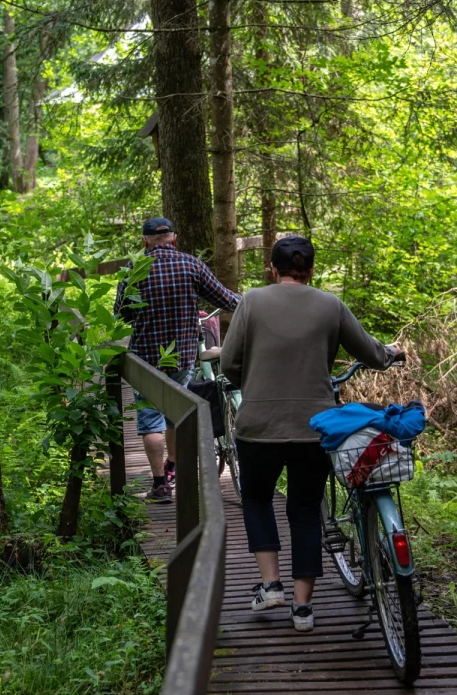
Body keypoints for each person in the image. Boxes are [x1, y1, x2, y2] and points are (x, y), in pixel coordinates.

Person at [220, 235, 402, 633]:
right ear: (312, 271)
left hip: (258, 427)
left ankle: (270, 585)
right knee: (304, 510)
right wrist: (392, 353)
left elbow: (229, 363)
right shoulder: (330, 305)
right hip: (314, 427)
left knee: (256, 499)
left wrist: (250, 382)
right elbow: (371, 354)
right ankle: (303, 609)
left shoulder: (251, 301)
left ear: (272, 268)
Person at [115, 217, 241, 503]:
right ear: (174, 238)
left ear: (145, 240)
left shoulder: (135, 270)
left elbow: (121, 313)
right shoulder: (191, 265)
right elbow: (225, 298)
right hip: (182, 356)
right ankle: (174, 467)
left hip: (146, 359)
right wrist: (253, 303)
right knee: (176, 413)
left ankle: (160, 484)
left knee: (150, 420)